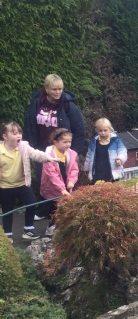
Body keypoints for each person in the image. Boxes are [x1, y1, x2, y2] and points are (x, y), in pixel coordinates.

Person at [24, 74, 85, 219]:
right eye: (54, 89)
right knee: (44, 181)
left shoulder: (68, 105)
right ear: (46, 89)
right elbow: (29, 125)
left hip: (62, 150)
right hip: (42, 150)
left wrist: (74, 152)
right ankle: (45, 211)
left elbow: (80, 129)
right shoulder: (37, 103)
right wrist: (31, 146)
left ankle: (64, 212)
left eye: (60, 89)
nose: (58, 92)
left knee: (62, 181)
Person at [0, 121, 58, 242]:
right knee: (7, 211)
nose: (18, 135)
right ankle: (8, 235)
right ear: (5, 136)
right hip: (5, 187)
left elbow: (35, 154)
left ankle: (28, 230)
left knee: (31, 205)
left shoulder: (23, 146)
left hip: (23, 184)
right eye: (14, 133)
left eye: (19, 133)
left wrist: (48, 158)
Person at [40, 128, 79, 236]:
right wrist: (62, 189)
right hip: (53, 188)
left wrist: (71, 181)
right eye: (65, 142)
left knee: (65, 207)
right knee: (54, 209)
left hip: (66, 185)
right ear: (56, 142)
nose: (68, 144)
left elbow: (74, 169)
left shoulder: (71, 154)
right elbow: (52, 175)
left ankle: (63, 226)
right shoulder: (49, 156)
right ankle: (51, 227)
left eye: (70, 141)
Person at [84, 118, 127, 184]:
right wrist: (86, 168)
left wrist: (120, 159)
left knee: (112, 189)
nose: (103, 133)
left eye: (105, 130)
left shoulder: (116, 140)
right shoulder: (93, 142)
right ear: (97, 130)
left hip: (112, 172)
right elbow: (89, 155)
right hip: (97, 172)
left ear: (110, 129)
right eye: (100, 131)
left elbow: (122, 150)